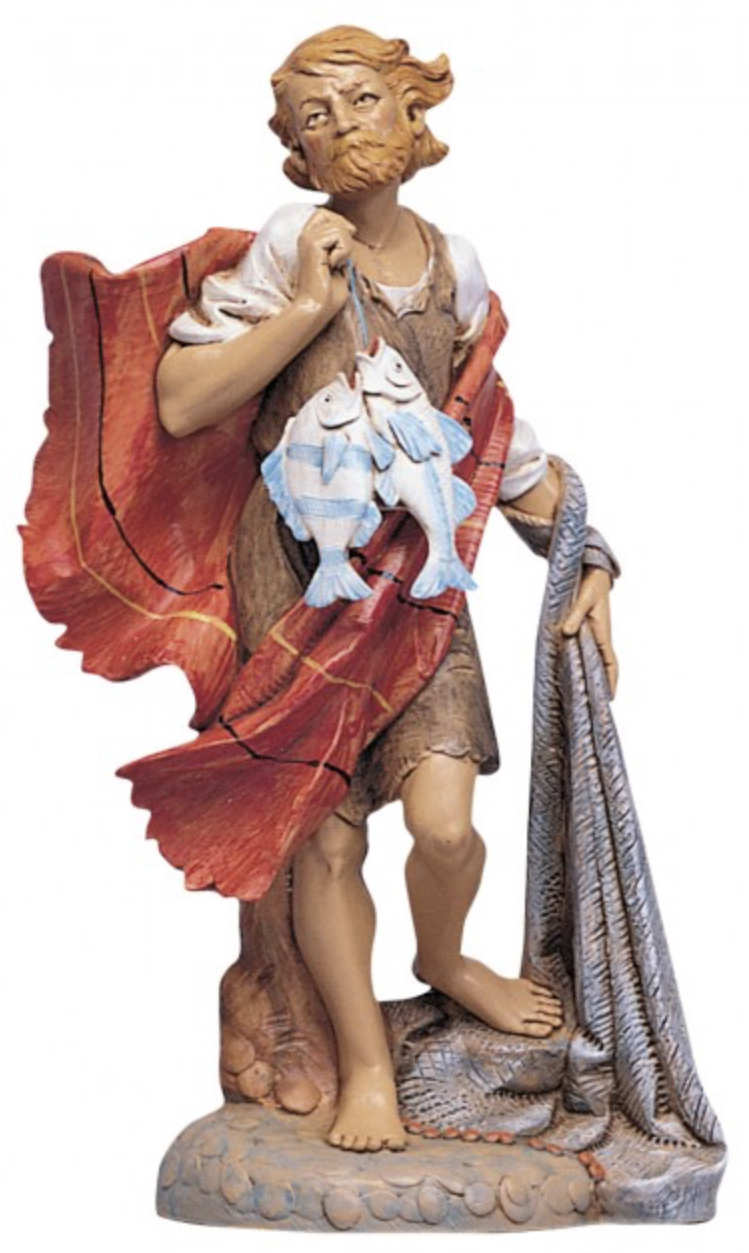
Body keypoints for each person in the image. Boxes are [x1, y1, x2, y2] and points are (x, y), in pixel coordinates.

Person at [154, 25, 617, 1153]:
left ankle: (444, 954)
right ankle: (365, 1064)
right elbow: (178, 399)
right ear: (296, 152)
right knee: (325, 838)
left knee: (445, 822)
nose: (343, 128)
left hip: (417, 575)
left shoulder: (455, 265)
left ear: (413, 118)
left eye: (362, 101)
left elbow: (487, 432)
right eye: (314, 117)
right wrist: (304, 313)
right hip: (299, 581)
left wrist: (588, 553)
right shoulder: (288, 245)